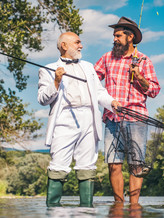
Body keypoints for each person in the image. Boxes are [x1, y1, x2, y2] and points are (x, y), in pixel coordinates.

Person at [38, 32, 120, 207]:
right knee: (59, 164)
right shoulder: (47, 69)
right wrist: (56, 81)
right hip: (64, 119)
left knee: (87, 165)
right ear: (64, 45)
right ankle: (53, 212)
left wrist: (111, 102)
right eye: (77, 42)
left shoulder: (89, 67)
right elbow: (43, 99)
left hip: (89, 118)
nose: (81, 46)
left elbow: (99, 92)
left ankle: (87, 212)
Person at [94, 17, 160, 204]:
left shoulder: (144, 60)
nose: (114, 39)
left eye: (118, 36)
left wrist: (139, 76)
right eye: (114, 36)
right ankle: (118, 205)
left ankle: (134, 206)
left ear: (130, 37)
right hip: (112, 119)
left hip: (136, 119)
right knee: (113, 165)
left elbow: (154, 90)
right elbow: (91, 78)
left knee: (136, 166)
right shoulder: (106, 58)